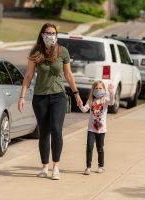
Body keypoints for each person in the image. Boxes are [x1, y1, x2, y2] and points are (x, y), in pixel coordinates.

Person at [18, 23, 82, 180]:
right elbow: (28, 76)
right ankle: (44, 167)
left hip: (58, 96)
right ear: (42, 34)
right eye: (48, 33)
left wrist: (76, 94)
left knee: (56, 129)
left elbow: (68, 75)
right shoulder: (36, 52)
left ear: (56, 35)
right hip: (40, 97)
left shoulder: (62, 52)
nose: (51, 35)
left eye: (53, 33)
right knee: (44, 132)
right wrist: (22, 96)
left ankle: (56, 167)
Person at [79, 81, 114, 175]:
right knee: (89, 147)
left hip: (101, 129)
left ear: (104, 89)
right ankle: (88, 167)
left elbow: (112, 102)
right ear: (93, 90)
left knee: (100, 148)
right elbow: (84, 109)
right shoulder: (91, 101)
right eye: (96, 88)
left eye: (100, 88)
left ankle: (101, 166)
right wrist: (80, 104)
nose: (98, 90)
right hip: (91, 128)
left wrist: (111, 92)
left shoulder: (105, 100)